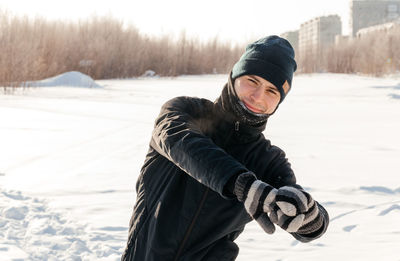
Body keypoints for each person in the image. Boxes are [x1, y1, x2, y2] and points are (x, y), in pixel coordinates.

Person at [121, 35, 329, 261]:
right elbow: (184, 145)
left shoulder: (268, 161)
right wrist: (242, 185)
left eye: (272, 91)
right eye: (252, 80)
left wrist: (310, 218)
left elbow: (301, 213)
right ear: (234, 77)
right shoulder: (183, 112)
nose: (258, 96)